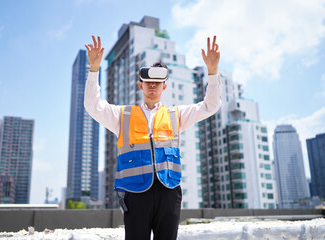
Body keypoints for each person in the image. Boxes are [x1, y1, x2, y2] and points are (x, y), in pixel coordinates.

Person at [84, 35, 222, 240]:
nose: (152, 86)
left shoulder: (176, 115)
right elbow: (93, 106)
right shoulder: (122, 116)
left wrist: (212, 72)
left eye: (157, 83)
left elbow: (210, 106)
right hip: (135, 194)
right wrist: (94, 70)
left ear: (164, 87)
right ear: (140, 86)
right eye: (147, 82)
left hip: (169, 192)